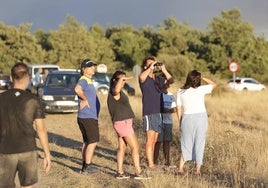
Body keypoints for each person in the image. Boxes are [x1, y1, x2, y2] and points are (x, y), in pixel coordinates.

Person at [0, 62, 51, 188]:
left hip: (5, 151)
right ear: (28, 78)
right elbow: (41, 129)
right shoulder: (33, 100)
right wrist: (47, 155)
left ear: (11, 78)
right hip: (28, 150)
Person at [107, 71, 151, 180]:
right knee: (135, 147)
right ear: (115, 80)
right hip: (123, 123)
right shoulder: (114, 91)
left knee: (122, 147)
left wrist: (122, 79)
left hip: (122, 122)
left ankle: (120, 172)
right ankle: (138, 172)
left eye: (124, 79)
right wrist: (121, 78)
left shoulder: (117, 91)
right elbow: (116, 90)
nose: (123, 81)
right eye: (121, 79)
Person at [176, 70, 216, 176]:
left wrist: (180, 121)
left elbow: (178, 108)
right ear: (198, 79)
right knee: (199, 143)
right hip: (200, 118)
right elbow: (213, 84)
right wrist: (203, 77)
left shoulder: (180, 91)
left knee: (185, 142)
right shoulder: (201, 89)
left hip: (187, 118)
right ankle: (197, 170)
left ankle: (180, 168)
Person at [139, 56, 173, 171]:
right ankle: (150, 164)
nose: (152, 66)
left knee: (155, 140)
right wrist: (149, 68)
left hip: (158, 112)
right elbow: (141, 77)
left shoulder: (157, 79)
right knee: (150, 139)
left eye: (153, 64)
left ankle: (152, 162)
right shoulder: (144, 78)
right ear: (145, 67)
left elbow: (171, 80)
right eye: (149, 64)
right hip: (149, 112)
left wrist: (163, 69)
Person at [74, 59, 100, 174]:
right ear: (83, 69)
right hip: (87, 116)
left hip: (86, 116)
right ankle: (88, 166)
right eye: (90, 66)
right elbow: (77, 89)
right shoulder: (84, 80)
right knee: (93, 141)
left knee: (87, 141)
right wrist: (84, 99)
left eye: (93, 66)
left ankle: (85, 166)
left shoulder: (88, 80)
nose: (93, 68)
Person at [153, 81, 177, 168]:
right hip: (159, 121)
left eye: (168, 82)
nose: (167, 84)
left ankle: (167, 162)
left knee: (167, 141)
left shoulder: (171, 95)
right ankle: (154, 162)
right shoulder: (158, 94)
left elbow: (175, 108)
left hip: (168, 122)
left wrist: (169, 110)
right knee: (158, 142)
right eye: (165, 82)